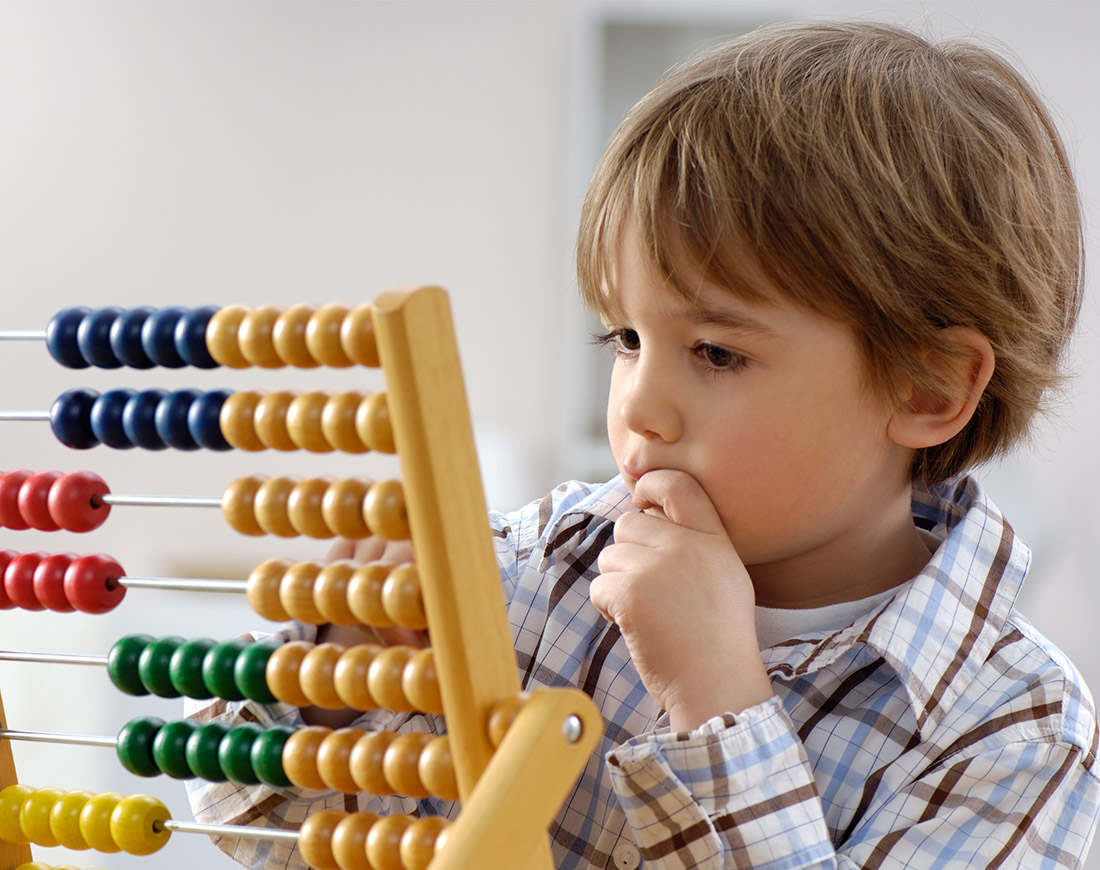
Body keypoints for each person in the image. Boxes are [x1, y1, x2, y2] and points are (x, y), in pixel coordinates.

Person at [186, 20, 1100, 869]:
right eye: (625, 339)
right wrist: (330, 682)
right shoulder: (534, 579)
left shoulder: (1017, 736)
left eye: (716, 351)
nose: (641, 406)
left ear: (929, 387)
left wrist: (719, 711)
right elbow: (253, 829)